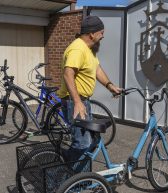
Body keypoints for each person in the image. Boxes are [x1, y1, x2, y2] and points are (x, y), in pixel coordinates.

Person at [57, 16, 122, 163]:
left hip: (83, 101)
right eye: (101, 32)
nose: (103, 36)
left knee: (92, 140)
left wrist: (110, 86)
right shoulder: (77, 49)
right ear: (92, 34)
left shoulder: (88, 50)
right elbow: (68, 74)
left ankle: (80, 173)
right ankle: (66, 170)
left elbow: (97, 69)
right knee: (83, 143)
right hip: (75, 102)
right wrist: (77, 102)